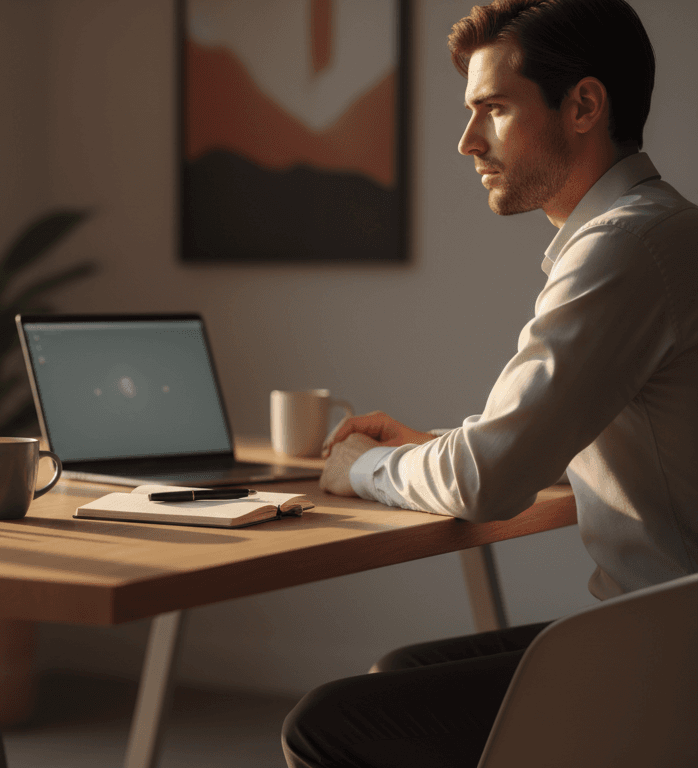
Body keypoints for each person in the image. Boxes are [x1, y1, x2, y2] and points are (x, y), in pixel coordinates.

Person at [281, 0, 698, 765]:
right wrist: (438, 445)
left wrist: (361, 470)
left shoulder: (625, 247)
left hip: (673, 655)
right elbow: (564, 434)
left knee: (327, 724)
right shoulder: (662, 231)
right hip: (665, 625)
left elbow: (486, 482)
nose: (467, 141)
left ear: (583, 105)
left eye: (494, 109)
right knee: (402, 676)